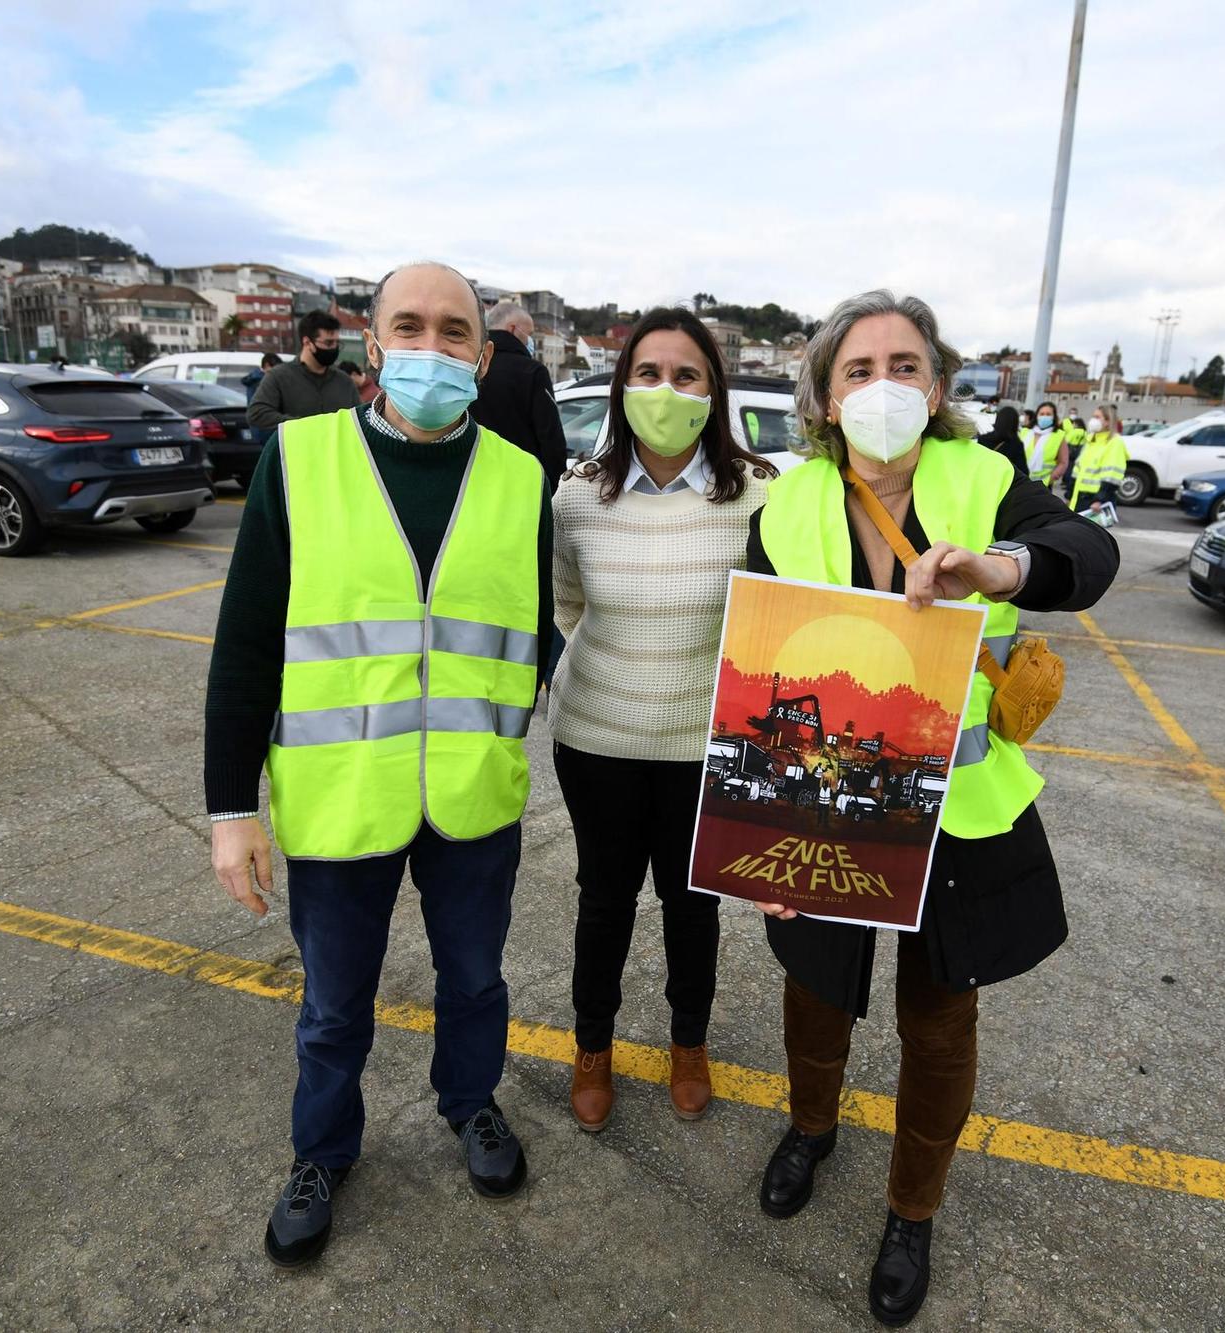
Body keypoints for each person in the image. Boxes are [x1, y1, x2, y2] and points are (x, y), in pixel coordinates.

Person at [742, 289, 1116, 1327]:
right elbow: (759, 673)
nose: (881, 385)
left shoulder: (983, 479)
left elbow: (1087, 556)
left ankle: (912, 1208)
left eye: (902, 364)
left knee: (939, 1017)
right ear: (821, 397)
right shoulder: (783, 506)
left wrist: (1001, 567)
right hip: (828, 803)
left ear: (936, 387)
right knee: (814, 988)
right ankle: (809, 1130)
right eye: (856, 369)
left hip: (959, 811)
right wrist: (758, 829)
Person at [205, 261, 553, 1268]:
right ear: (371, 341)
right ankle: (320, 1152)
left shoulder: (519, 477)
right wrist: (232, 809)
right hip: (339, 798)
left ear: (483, 359)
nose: (431, 349)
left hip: (472, 798)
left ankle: (469, 1101)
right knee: (332, 1005)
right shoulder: (298, 459)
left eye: (454, 333)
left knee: (476, 980)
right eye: (410, 325)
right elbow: (245, 646)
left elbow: (532, 632)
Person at [550, 307, 775, 1134]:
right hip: (598, 738)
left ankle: (689, 1042)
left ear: (714, 391)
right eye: (648, 373)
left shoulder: (756, 496)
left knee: (692, 906)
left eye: (687, 375)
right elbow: (567, 607)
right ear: (622, 386)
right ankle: (593, 1046)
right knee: (603, 899)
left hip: (702, 750)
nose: (666, 390)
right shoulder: (576, 497)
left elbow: (769, 623)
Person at [473, 301, 568, 491]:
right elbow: (550, 436)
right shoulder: (532, 372)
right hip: (522, 483)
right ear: (514, 329)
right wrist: (555, 489)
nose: (530, 341)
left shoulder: (472, 367)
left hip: (474, 479)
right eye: (530, 334)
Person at [247, 311, 360, 447]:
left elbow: (359, 420)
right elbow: (257, 413)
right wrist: (303, 426)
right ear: (307, 342)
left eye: (337, 343)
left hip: (337, 460)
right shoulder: (279, 376)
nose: (334, 348)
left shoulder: (344, 382)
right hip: (296, 459)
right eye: (329, 343)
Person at [1069, 405, 1128, 526]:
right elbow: (1078, 470)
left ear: (1107, 421)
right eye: (1093, 416)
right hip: (1079, 498)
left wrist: (1099, 500)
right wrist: (1069, 494)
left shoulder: (1115, 442)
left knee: (1090, 540)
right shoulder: (1091, 440)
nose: (1093, 420)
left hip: (1095, 503)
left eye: (1097, 417)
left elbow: (1112, 476)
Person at [1016, 400, 1073, 491]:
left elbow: (1063, 462)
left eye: (1048, 414)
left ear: (1054, 417)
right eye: (1042, 414)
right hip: (1020, 482)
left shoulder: (1058, 435)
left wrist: (1051, 479)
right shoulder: (1025, 432)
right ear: (1037, 416)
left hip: (1043, 485)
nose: (1044, 416)